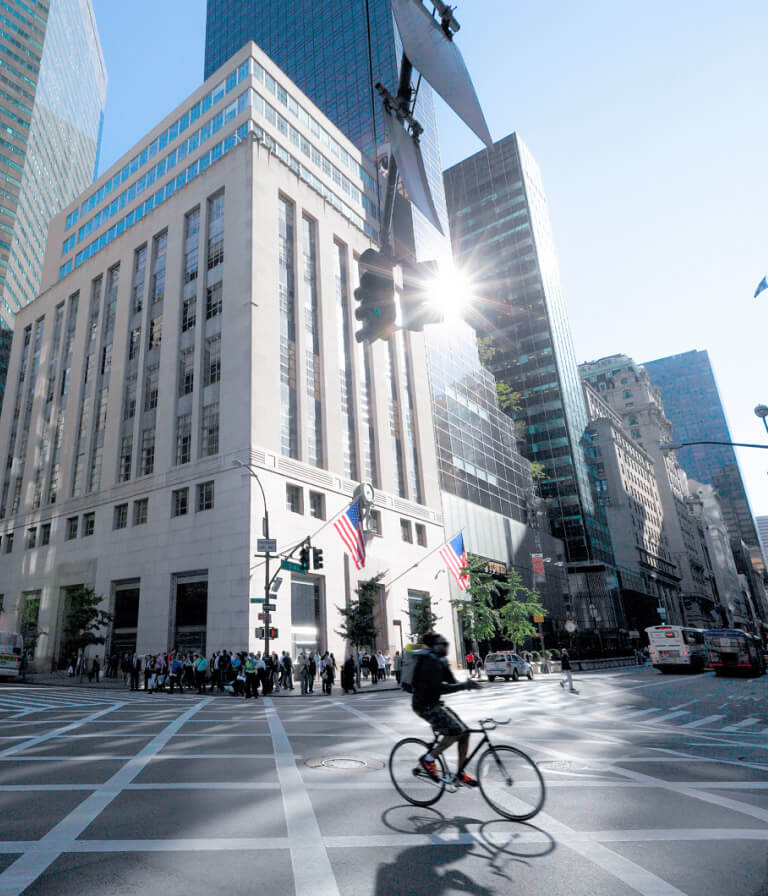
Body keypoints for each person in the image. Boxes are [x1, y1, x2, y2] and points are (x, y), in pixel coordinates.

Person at [411, 632, 480, 786]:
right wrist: (464, 686)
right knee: (456, 731)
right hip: (424, 705)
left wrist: (466, 683)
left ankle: (460, 774)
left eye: (446, 643)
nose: (446, 646)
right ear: (434, 646)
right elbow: (440, 688)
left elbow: (451, 682)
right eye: (443, 644)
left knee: (465, 733)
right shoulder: (429, 661)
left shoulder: (441, 660)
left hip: (434, 703)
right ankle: (428, 760)